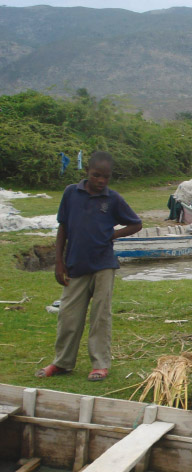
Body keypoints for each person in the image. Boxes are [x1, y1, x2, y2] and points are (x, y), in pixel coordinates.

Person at [35, 151, 142, 381]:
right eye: (96, 176)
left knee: (100, 315)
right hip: (75, 263)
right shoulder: (71, 193)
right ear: (87, 173)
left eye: (106, 177)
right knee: (68, 315)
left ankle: (100, 364)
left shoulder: (112, 199)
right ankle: (62, 362)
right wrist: (59, 262)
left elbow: (136, 223)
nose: (101, 181)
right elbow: (62, 228)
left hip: (103, 264)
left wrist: (112, 234)